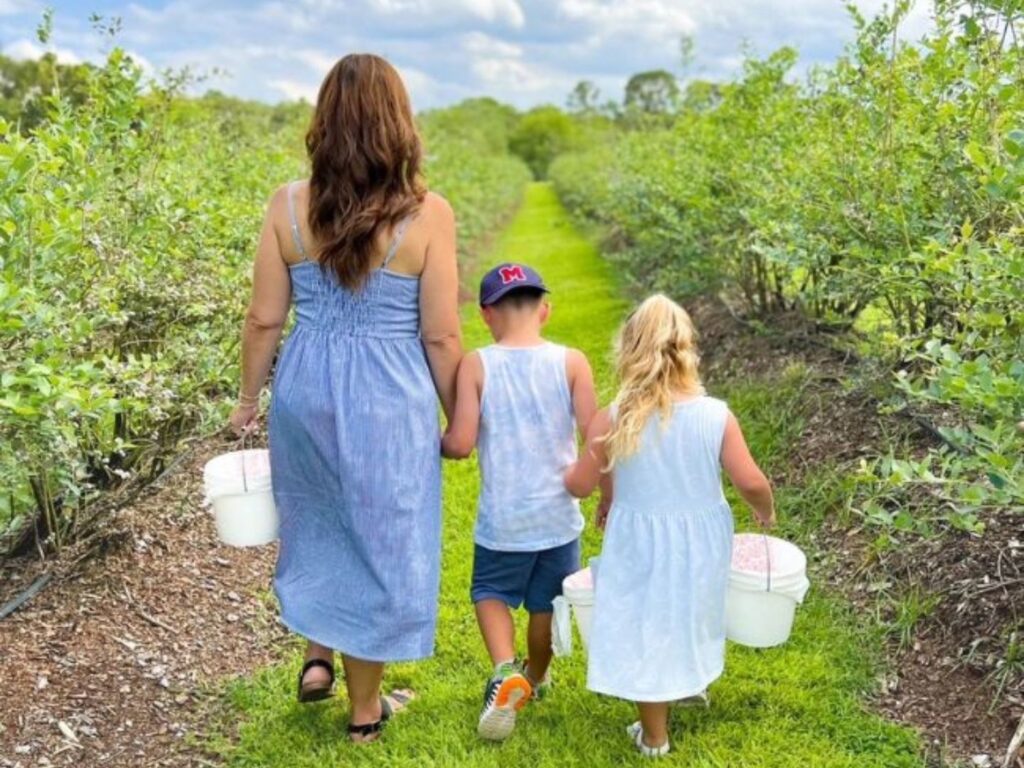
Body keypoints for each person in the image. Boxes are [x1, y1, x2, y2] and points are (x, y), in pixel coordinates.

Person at [227, 54, 462, 743]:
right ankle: (365, 712)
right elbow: (442, 334)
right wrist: (460, 417)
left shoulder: (288, 206)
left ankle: (315, 657)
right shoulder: (428, 214)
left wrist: (248, 401)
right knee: (382, 537)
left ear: (322, 124)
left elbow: (264, 318)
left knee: (317, 521)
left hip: (306, 384)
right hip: (390, 395)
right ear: (401, 126)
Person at [564, 294, 775, 758]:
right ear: (687, 350)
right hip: (701, 537)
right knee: (692, 608)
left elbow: (581, 483)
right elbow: (750, 480)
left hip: (639, 539)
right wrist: (765, 509)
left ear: (630, 350)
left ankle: (654, 736)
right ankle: (686, 684)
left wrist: (576, 478)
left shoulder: (614, 417)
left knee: (646, 622)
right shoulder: (715, 415)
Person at [441, 262, 597, 741]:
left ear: (486, 314)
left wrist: (434, 441)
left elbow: (462, 443)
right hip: (558, 516)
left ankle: (504, 668)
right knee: (546, 605)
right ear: (544, 311)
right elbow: (596, 435)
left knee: (489, 593)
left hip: (504, 517)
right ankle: (534, 676)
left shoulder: (476, 364)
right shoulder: (572, 362)